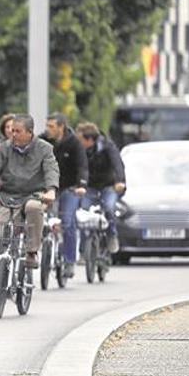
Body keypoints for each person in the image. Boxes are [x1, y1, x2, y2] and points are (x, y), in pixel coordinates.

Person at [0, 114, 58, 269]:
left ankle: (31, 252)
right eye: (12, 131)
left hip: (34, 194)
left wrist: (51, 190)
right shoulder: (5, 147)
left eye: (18, 131)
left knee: (33, 208)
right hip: (9, 195)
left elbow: (51, 170)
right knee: (0, 234)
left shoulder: (45, 148)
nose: (13, 134)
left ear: (29, 132)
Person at [42, 113, 88, 277]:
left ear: (61, 127)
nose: (48, 129)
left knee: (67, 221)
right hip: (48, 187)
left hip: (69, 188)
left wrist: (81, 185)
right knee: (41, 219)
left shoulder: (74, 143)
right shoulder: (43, 140)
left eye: (51, 127)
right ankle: (43, 251)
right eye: (47, 126)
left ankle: (69, 261)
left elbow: (82, 166)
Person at [76, 122, 125, 253]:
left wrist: (120, 181)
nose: (78, 143)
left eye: (81, 140)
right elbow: (79, 169)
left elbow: (117, 164)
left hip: (108, 185)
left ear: (90, 140)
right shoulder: (80, 151)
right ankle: (84, 248)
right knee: (83, 212)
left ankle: (112, 235)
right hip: (89, 186)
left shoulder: (108, 147)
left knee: (108, 207)